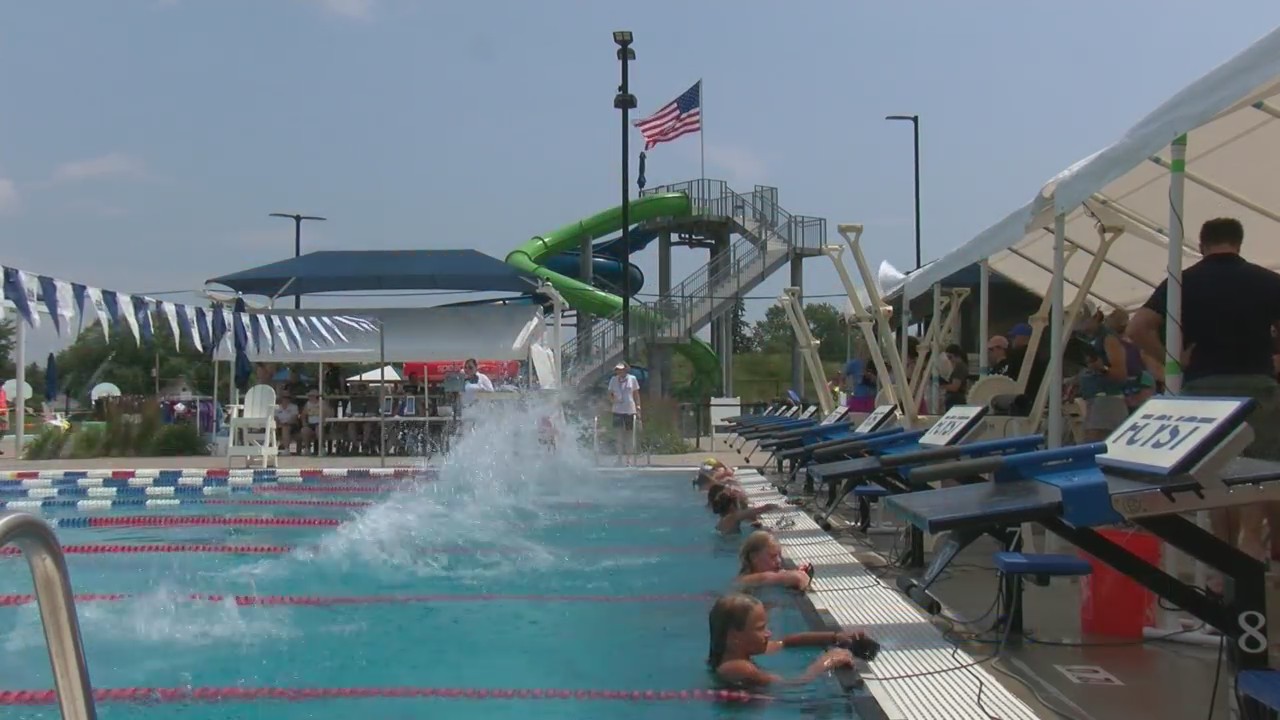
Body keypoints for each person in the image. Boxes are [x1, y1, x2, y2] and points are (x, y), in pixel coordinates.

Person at [1127, 217, 1280, 569]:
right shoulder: (1267, 280)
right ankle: (1252, 544)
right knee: (1258, 471)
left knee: (1214, 473)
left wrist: (1171, 362)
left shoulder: (1183, 283)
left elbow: (1137, 327)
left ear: (1201, 244)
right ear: (1239, 243)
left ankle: (1220, 560)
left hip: (1202, 388)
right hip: (1256, 383)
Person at [707, 594, 862, 688]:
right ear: (735, 636)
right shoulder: (737, 667)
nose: (768, 633)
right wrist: (828, 661)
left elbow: (786, 642)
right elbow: (793, 684)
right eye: (760, 628)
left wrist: (834, 637)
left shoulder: (739, 652)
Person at [736, 531, 814, 591]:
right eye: (773, 556)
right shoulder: (744, 581)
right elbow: (798, 578)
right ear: (754, 557)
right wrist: (794, 575)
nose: (779, 561)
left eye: (779, 556)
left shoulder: (774, 577)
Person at [607, 362, 641, 465]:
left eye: (622, 369)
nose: (620, 371)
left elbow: (636, 394)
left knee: (629, 435)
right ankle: (619, 458)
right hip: (617, 409)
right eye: (618, 369)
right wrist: (613, 400)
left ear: (626, 369)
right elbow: (609, 393)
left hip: (629, 410)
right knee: (618, 435)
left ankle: (629, 458)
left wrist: (638, 407)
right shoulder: (613, 380)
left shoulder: (632, 379)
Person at [940, 344, 969, 409]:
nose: (950, 360)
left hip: (955, 399)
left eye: (950, 357)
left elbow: (955, 387)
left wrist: (942, 385)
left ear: (957, 355)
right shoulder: (962, 366)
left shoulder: (959, 367)